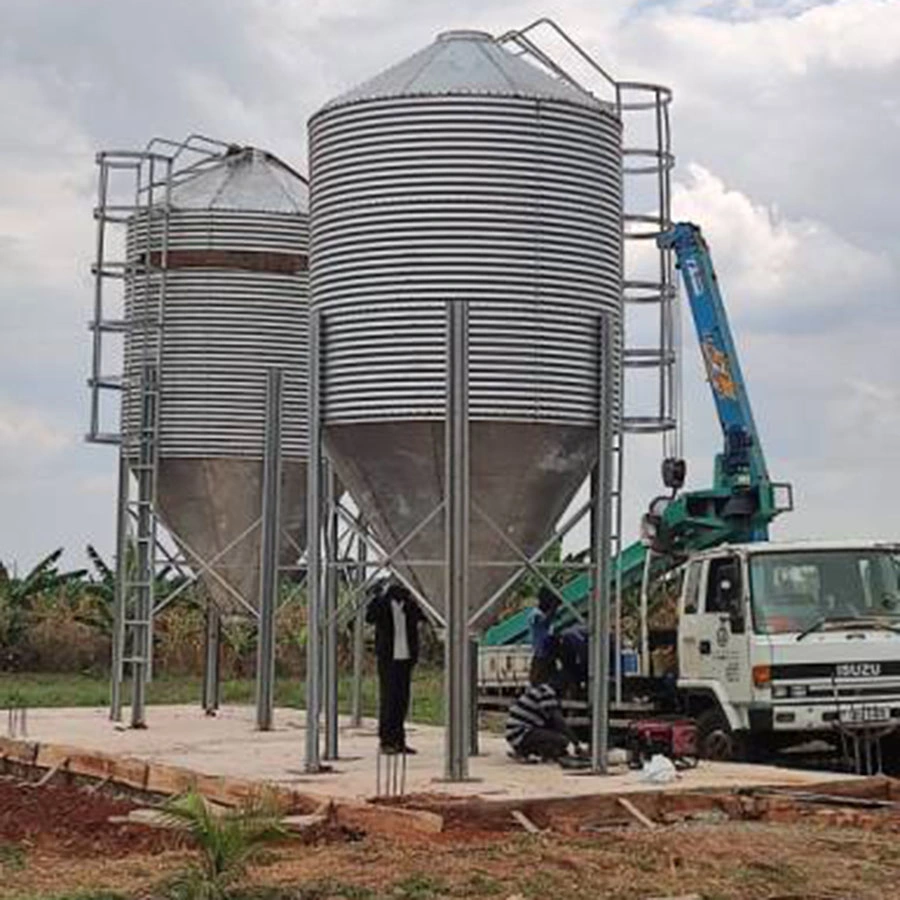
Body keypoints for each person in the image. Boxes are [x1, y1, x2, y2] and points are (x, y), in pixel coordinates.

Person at [365, 581, 425, 754]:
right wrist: (377, 596)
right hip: (388, 659)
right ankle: (386, 741)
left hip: (405, 658)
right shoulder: (383, 605)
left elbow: (424, 617)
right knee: (388, 700)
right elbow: (369, 617)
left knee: (401, 701)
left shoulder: (409, 606)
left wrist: (417, 598)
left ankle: (399, 740)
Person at [505, 680, 583, 761]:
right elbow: (559, 722)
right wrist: (577, 744)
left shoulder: (542, 690)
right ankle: (524, 751)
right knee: (561, 740)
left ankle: (527, 751)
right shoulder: (547, 693)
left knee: (556, 740)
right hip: (521, 732)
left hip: (516, 732)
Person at [528, 586, 561, 685]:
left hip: (549, 656)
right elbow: (544, 622)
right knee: (538, 683)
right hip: (540, 656)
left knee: (552, 685)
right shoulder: (535, 614)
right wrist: (554, 607)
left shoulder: (546, 614)